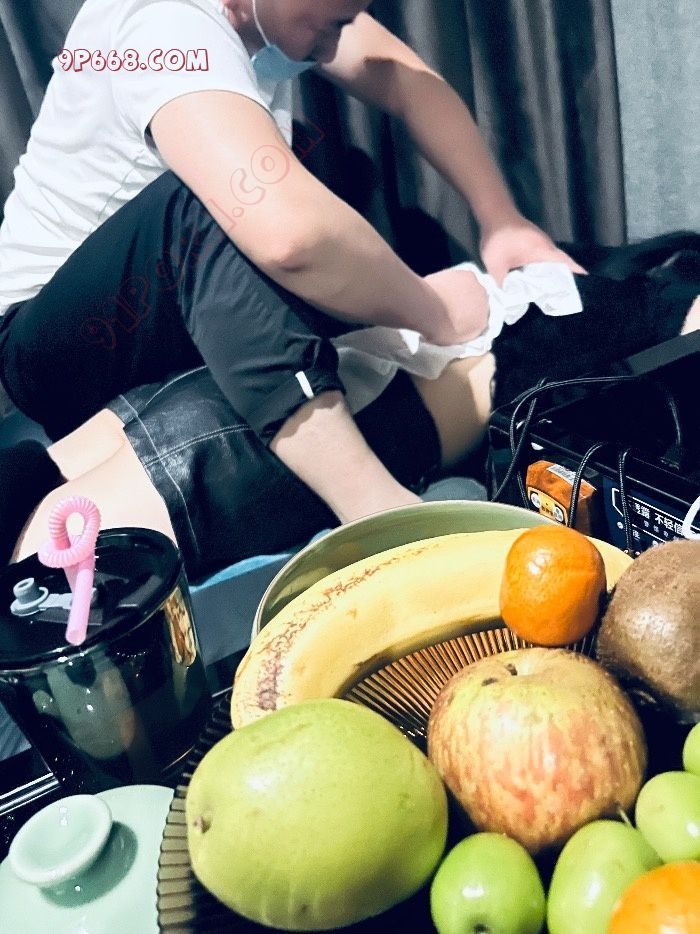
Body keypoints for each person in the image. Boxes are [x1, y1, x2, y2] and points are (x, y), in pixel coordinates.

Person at [1, 0, 699, 581]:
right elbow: (287, 236)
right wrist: (434, 313)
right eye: (335, 22)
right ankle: (374, 508)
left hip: (168, 325)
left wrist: (502, 219)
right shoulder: (163, 24)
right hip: (62, 347)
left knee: (338, 269)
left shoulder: (272, 15)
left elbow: (406, 80)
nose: (339, 43)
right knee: (232, 201)